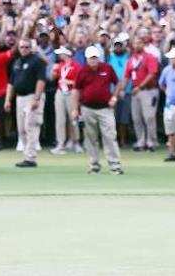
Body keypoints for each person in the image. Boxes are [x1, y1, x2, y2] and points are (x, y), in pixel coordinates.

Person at [72, 46, 123, 175]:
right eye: (91, 58)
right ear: (87, 59)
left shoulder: (107, 68)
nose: (93, 60)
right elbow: (76, 90)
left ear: (98, 58)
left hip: (105, 108)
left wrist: (114, 97)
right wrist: (74, 109)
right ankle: (94, 165)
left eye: (95, 58)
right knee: (91, 138)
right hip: (87, 108)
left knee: (110, 136)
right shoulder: (82, 71)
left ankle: (115, 165)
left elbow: (118, 83)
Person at [5, 39, 46, 168]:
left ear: (31, 48)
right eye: (22, 47)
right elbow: (11, 82)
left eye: (27, 47)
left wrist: (37, 98)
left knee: (31, 126)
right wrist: (7, 99)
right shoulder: (17, 62)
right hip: (20, 98)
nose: (24, 49)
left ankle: (30, 157)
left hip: (32, 96)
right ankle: (26, 155)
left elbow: (41, 80)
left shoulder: (37, 61)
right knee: (21, 128)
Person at [121, 37, 159, 151]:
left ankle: (151, 141)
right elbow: (126, 76)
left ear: (143, 44)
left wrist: (140, 86)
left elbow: (152, 74)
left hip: (148, 90)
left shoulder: (150, 57)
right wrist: (122, 88)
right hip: (135, 91)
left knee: (149, 117)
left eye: (139, 43)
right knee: (136, 118)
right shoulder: (131, 59)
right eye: (135, 43)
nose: (137, 45)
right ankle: (141, 141)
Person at [50, 47, 82, 155]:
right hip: (60, 92)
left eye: (61, 53)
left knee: (73, 118)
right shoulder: (60, 65)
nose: (59, 55)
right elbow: (52, 78)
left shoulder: (76, 66)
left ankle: (76, 142)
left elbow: (80, 83)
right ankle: (60, 144)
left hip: (71, 93)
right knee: (60, 119)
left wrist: (69, 81)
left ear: (67, 54)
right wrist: (53, 71)